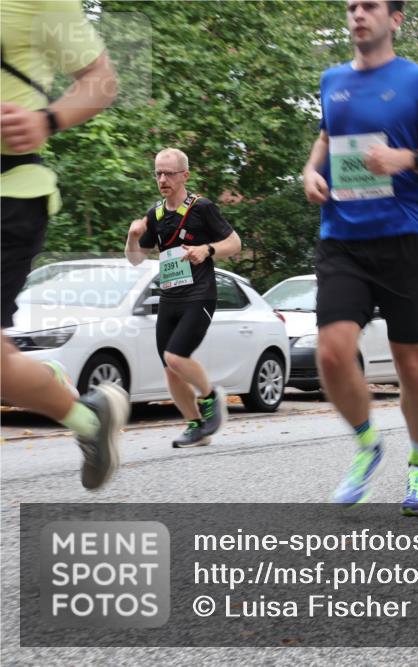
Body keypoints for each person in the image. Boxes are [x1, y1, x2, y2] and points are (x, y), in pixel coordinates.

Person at [301, 0, 418, 515]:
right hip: (343, 237)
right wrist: (311, 172)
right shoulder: (331, 80)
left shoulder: (417, 81)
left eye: (369, 6)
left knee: (411, 362)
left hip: (403, 238)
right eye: (351, 7)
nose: (357, 14)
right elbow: (326, 136)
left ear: (395, 19)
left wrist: (404, 158)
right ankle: (368, 445)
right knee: (330, 351)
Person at [1, 0, 128, 490]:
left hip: (9, 191)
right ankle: (85, 415)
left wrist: (46, 120)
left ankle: (80, 413)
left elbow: (101, 79)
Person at [125, 148, 241, 447]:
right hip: (169, 298)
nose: (162, 179)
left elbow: (235, 242)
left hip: (199, 296)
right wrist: (133, 236)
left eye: (169, 174)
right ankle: (195, 426)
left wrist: (207, 250)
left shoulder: (202, 208)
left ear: (184, 175)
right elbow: (136, 259)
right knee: (170, 369)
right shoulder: (156, 214)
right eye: (158, 174)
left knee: (176, 356)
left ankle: (209, 397)